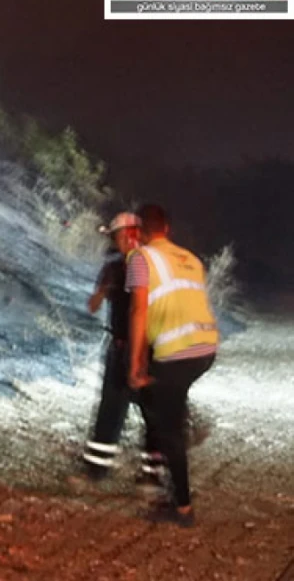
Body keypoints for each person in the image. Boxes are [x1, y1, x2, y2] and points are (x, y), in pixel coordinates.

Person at [126, 204, 219, 527]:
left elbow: (139, 311)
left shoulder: (141, 259)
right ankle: (181, 416)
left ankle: (182, 507)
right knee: (162, 400)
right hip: (205, 348)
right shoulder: (191, 259)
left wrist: (136, 362)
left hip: (177, 351)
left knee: (168, 429)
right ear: (167, 228)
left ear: (139, 232)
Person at [82, 213, 166, 487]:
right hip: (119, 346)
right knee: (110, 408)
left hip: (148, 346)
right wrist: (101, 292)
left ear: (131, 233)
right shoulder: (113, 267)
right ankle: (96, 469)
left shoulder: (148, 264)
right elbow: (93, 305)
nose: (115, 241)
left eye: (117, 235)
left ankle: (152, 473)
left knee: (152, 411)